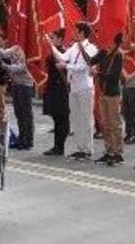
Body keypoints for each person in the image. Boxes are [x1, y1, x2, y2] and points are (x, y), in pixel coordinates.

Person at [48, 22, 98, 160]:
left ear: (82, 32)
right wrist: (51, 45)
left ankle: (88, 149)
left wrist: (66, 66)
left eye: (76, 31)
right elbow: (62, 57)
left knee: (86, 119)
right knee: (76, 118)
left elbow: (84, 66)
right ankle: (79, 147)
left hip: (85, 87)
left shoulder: (91, 48)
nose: (73, 34)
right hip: (74, 87)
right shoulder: (75, 46)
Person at [93, 32, 125, 166]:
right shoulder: (103, 52)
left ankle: (118, 152)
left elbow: (114, 75)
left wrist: (98, 73)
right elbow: (90, 60)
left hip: (113, 93)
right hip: (103, 92)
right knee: (105, 123)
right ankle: (109, 151)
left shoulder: (118, 54)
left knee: (114, 123)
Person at [42, 29, 71, 156]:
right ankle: (57, 145)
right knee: (56, 118)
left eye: (53, 37)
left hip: (60, 88)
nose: (51, 39)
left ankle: (60, 146)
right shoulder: (53, 52)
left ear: (59, 39)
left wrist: (51, 47)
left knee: (62, 118)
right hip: (53, 87)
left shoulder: (63, 52)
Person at [2, 44, 35, 151]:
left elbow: (22, 67)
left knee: (26, 113)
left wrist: (7, 67)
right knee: (18, 112)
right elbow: (3, 53)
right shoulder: (12, 49)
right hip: (16, 84)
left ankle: (28, 140)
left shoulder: (20, 48)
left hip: (25, 84)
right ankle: (22, 137)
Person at [122, 64, 135, 145]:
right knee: (126, 111)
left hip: (133, 85)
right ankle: (128, 132)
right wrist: (124, 74)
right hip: (125, 85)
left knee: (134, 111)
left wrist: (130, 75)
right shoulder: (123, 53)